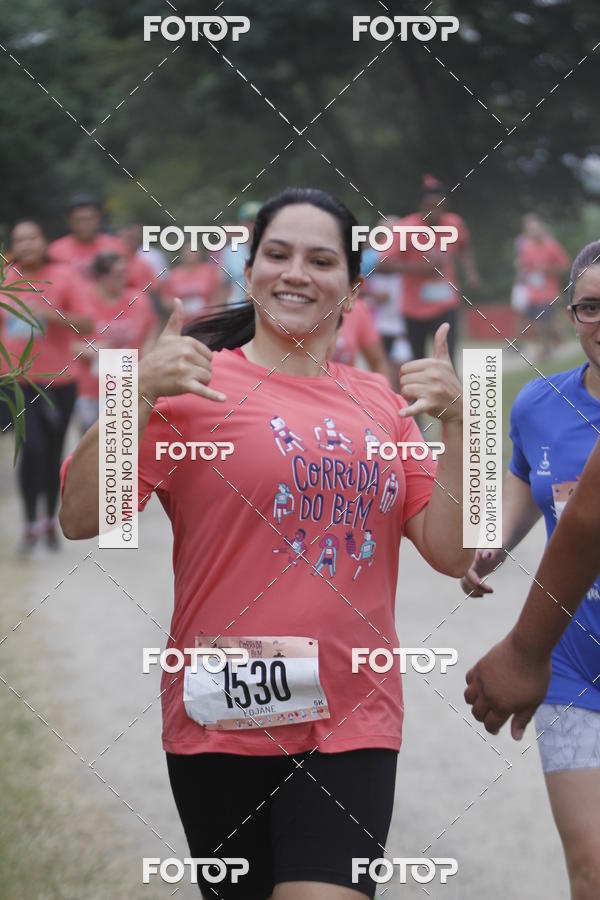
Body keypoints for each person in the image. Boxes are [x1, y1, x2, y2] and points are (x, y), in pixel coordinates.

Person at [59, 188, 471, 900]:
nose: (296, 273)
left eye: (321, 259)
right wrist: (135, 396)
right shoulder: (193, 386)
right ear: (248, 271)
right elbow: (83, 517)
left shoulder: (382, 402)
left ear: (353, 285)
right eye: (277, 254)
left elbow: (455, 552)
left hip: (355, 710)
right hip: (224, 709)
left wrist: (466, 423)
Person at [461, 240, 600, 900]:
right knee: (593, 871)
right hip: (573, 665)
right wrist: (494, 540)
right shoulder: (538, 405)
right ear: (571, 315)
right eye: (591, 307)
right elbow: (524, 479)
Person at [1, 219, 93, 551]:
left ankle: (49, 520)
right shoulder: (5, 279)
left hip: (58, 382)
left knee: (53, 454)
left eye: (32, 238)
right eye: (19, 239)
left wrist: (46, 313)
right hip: (17, 383)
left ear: (44, 242)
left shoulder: (64, 276)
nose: (26, 245)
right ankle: (28, 523)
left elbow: (86, 322)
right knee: (32, 449)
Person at [378, 175, 479, 364]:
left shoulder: (454, 223)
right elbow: (380, 265)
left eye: (439, 206)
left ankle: (452, 394)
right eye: (430, 206)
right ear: (421, 206)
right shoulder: (405, 228)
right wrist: (420, 269)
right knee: (419, 361)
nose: (435, 212)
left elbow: (465, 246)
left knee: (447, 359)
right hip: (414, 308)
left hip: (446, 303)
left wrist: (470, 271)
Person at [72, 251, 159, 433]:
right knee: (91, 445)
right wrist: (92, 350)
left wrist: (148, 350)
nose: (124, 278)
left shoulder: (137, 299)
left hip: (127, 385)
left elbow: (151, 327)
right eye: (117, 274)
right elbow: (66, 343)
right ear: (101, 277)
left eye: (125, 272)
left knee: (120, 444)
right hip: (91, 388)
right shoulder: (82, 301)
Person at [516, 214, 570, 360]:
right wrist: (523, 269)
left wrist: (548, 269)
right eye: (530, 230)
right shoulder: (526, 247)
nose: (534, 233)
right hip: (533, 290)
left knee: (545, 319)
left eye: (536, 229)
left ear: (542, 230)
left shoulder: (552, 245)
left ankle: (546, 348)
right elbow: (524, 265)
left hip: (548, 291)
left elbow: (565, 265)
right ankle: (549, 345)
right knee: (538, 321)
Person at [48, 194, 127, 280]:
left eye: (89, 219)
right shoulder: (56, 250)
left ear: (98, 219)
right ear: (69, 221)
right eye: (79, 220)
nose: (84, 224)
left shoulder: (115, 246)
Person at [327, 298, 393, 382]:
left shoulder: (356, 309)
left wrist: (385, 391)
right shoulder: (309, 310)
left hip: (344, 389)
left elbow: (378, 361)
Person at [160, 244, 229, 323]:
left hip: (206, 322)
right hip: (183, 323)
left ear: (199, 253)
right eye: (187, 251)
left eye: (193, 251)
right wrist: (178, 305)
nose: (190, 254)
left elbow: (219, 294)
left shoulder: (209, 271)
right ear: (182, 253)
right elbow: (165, 299)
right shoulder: (174, 275)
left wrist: (214, 312)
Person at [220, 200, 262, 304]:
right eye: (248, 222)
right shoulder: (229, 252)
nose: (252, 226)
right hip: (238, 311)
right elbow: (225, 286)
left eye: (256, 222)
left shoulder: (274, 252)